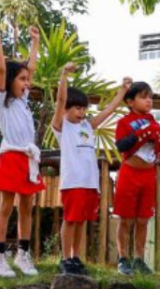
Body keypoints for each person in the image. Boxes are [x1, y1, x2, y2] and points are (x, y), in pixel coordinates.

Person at [52, 64, 127, 276]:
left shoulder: (87, 126)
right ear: (66, 109)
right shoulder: (62, 126)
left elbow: (108, 111)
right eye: (77, 108)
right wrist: (64, 75)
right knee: (70, 219)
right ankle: (65, 258)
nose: (82, 112)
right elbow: (60, 100)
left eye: (84, 108)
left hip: (90, 182)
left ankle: (76, 257)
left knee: (81, 221)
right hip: (73, 182)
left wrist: (122, 91)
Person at [0, 23, 43, 278]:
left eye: (27, 80)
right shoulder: (1, 99)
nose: (27, 83)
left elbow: (31, 67)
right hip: (10, 157)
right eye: (22, 79)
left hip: (27, 158)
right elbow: (0, 68)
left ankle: (23, 254)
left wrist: (35, 42)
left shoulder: (23, 100)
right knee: (6, 206)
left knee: (27, 206)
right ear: (9, 81)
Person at [113, 80, 160, 275]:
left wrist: (157, 135)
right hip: (129, 173)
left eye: (150, 97)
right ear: (130, 102)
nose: (149, 101)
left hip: (148, 175)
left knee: (143, 219)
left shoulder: (154, 122)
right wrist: (142, 134)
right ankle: (123, 259)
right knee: (126, 219)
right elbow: (121, 146)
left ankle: (139, 259)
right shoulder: (124, 122)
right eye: (143, 97)